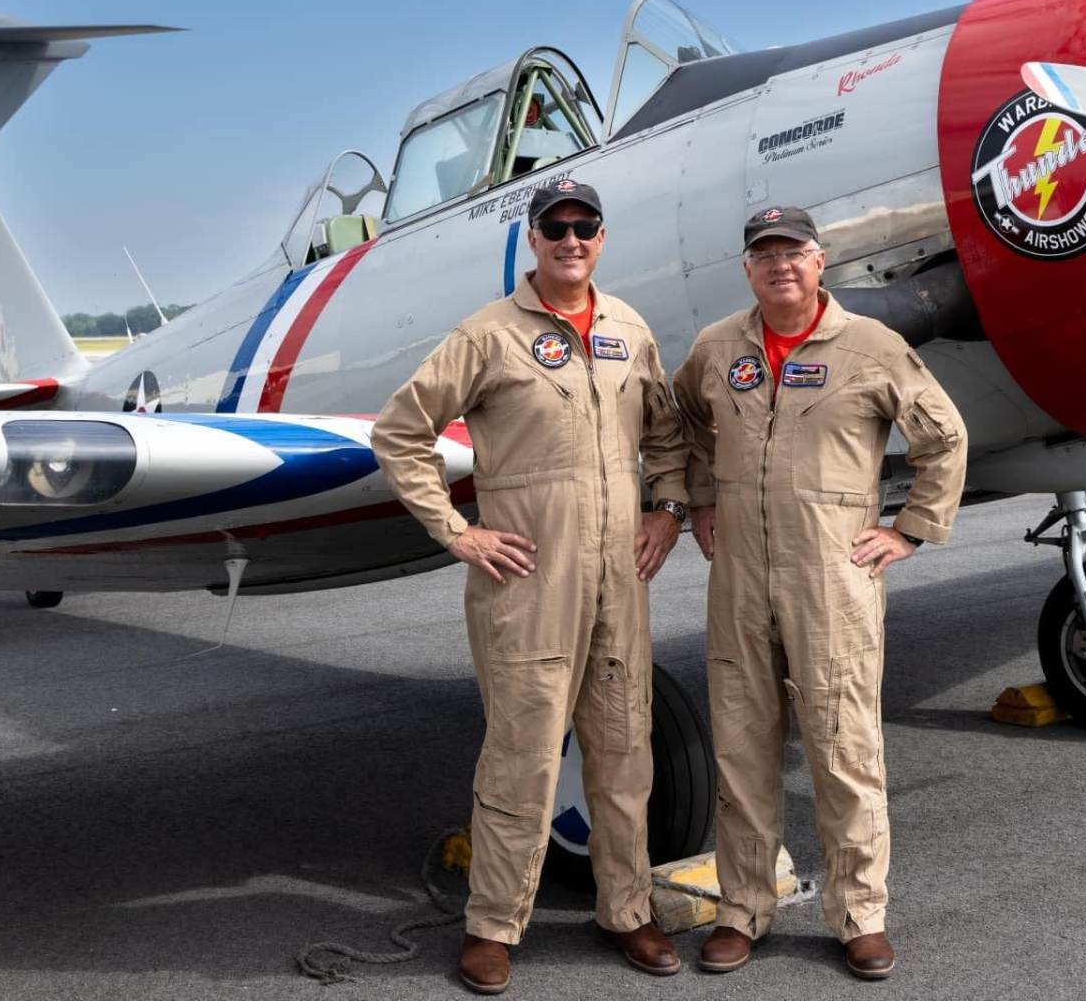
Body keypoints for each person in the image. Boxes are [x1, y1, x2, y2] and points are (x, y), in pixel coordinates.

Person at [371, 179, 693, 995]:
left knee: (624, 753)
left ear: (602, 237)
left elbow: (664, 433)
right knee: (521, 759)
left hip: (621, 577)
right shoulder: (487, 335)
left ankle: (628, 910)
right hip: (528, 581)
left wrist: (668, 509)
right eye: (556, 227)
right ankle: (492, 925)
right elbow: (400, 434)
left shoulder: (628, 329)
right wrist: (457, 530)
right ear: (534, 239)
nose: (571, 240)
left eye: (585, 226)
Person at [672, 205, 967, 981]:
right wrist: (700, 496)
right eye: (763, 254)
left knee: (844, 749)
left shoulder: (871, 346)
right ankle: (742, 911)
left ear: (819, 260)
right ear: (747, 269)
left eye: (793, 252)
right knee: (741, 748)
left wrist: (910, 528)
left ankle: (859, 915)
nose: (779, 266)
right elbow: (684, 423)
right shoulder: (717, 349)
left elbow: (943, 435)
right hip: (737, 573)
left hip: (832, 574)